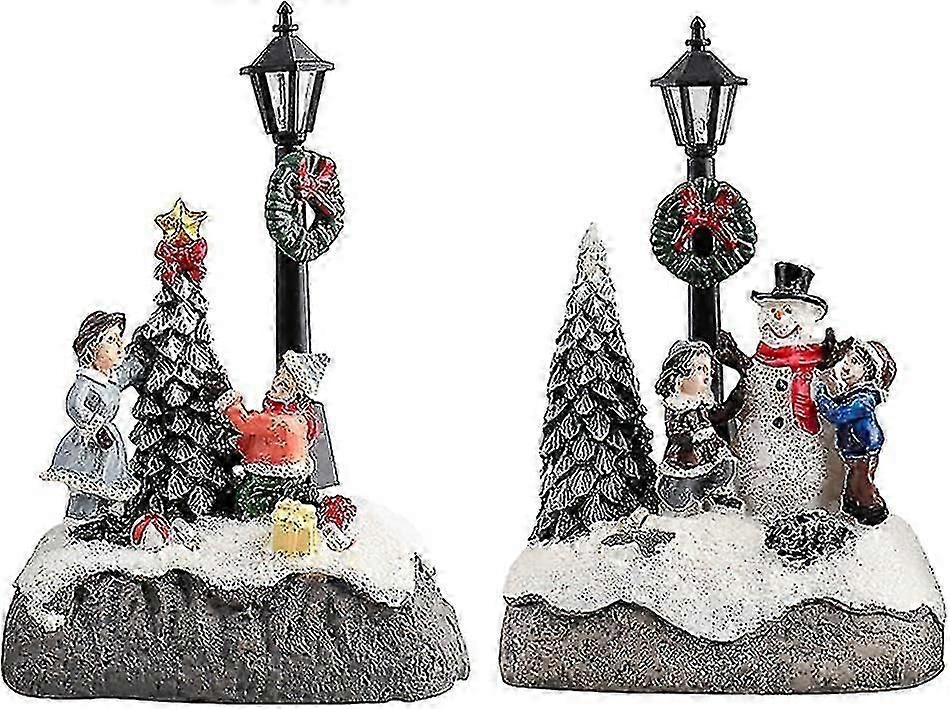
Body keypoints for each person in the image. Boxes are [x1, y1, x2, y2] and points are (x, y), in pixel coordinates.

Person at [41, 311, 142, 521]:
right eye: (111, 340)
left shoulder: (111, 379)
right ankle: (81, 519)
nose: (119, 345)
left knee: (107, 480)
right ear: (92, 348)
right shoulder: (86, 382)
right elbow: (75, 405)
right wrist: (95, 426)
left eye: (119, 338)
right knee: (89, 483)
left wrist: (142, 355)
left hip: (109, 444)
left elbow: (128, 374)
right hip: (90, 442)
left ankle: (104, 517)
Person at [217, 351, 330, 518]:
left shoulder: (280, 421)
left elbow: (245, 423)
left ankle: (259, 517)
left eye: (284, 385)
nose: (276, 385)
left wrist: (231, 403)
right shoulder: (299, 418)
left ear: (296, 395)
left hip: (268, 477)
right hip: (289, 475)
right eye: (279, 376)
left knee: (245, 499)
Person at [654, 340, 745, 514]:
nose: (708, 376)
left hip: (709, 448)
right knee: (686, 478)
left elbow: (718, 416)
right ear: (680, 377)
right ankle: (683, 504)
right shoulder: (677, 405)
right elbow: (675, 431)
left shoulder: (702, 404)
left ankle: (713, 495)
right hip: (687, 453)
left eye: (709, 370)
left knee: (724, 466)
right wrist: (687, 445)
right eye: (700, 369)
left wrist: (735, 401)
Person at [814, 338, 896, 526]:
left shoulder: (863, 400)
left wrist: (819, 394)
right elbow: (838, 402)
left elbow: (837, 414)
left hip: (863, 452)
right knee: (852, 483)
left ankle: (872, 511)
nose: (846, 366)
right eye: (847, 360)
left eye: (855, 362)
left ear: (869, 372)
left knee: (862, 486)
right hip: (853, 451)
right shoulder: (853, 394)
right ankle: (852, 507)